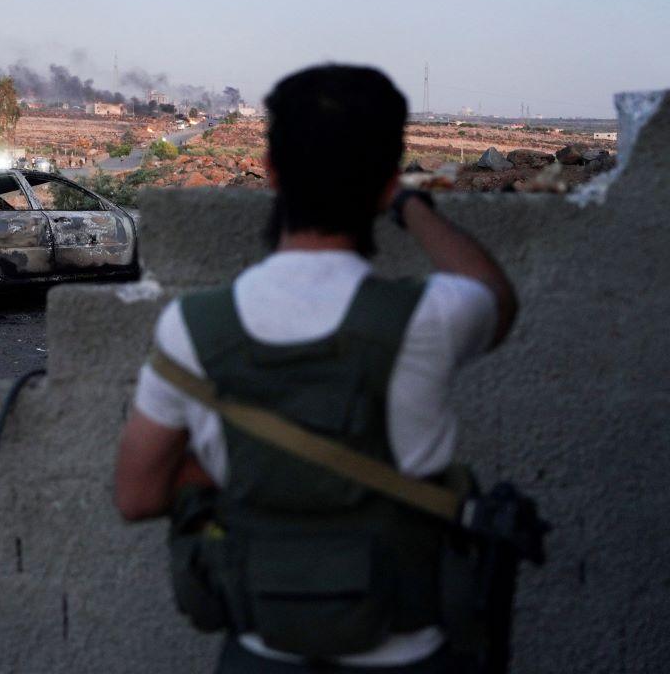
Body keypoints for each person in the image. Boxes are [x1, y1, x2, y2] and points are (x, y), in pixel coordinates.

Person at [114, 64, 517, 673]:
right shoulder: (431, 316)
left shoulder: (191, 328)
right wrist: (411, 205)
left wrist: (241, 466)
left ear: (272, 173)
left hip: (262, 655)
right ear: (385, 181)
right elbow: (494, 293)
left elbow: (137, 495)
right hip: (409, 654)